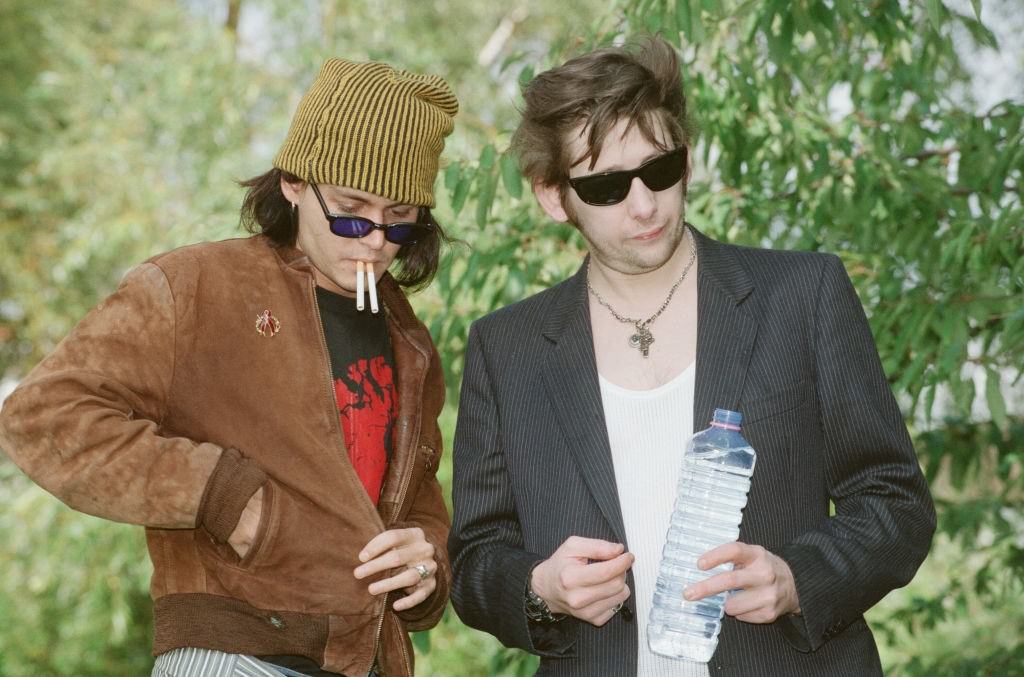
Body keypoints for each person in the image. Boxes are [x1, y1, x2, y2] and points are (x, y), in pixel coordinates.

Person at [447, 37, 935, 676]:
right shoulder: (505, 346)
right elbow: (476, 560)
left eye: (660, 169)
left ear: (688, 157)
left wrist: (797, 578)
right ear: (551, 195)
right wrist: (540, 587)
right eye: (607, 187)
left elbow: (896, 501)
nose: (645, 204)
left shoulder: (803, 295)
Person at [0, 58, 458, 677]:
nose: (374, 240)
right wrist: (223, 496)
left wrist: (426, 556)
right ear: (295, 182)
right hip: (230, 652)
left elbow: (417, 495)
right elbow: (43, 416)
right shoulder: (196, 287)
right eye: (352, 210)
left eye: (400, 218)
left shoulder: (408, 337)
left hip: (365, 657)